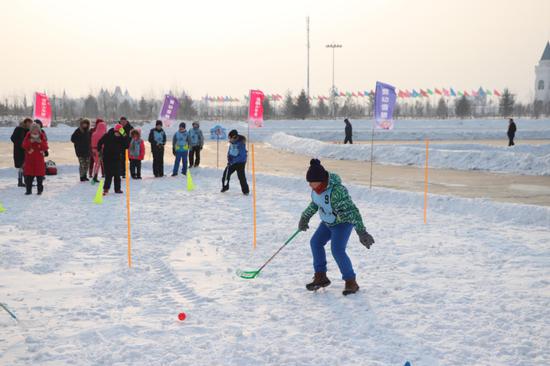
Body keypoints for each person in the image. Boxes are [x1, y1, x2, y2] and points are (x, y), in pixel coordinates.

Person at [298, 159, 374, 296]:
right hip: (328, 222)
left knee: (337, 250)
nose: (309, 185)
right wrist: (305, 217)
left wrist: (361, 231)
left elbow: (352, 211)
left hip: (343, 223)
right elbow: (315, 204)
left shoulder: (337, 192)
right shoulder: (317, 190)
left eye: (311, 182)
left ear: (320, 180)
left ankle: (351, 281)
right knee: (315, 242)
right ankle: (321, 277)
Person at [97, 124, 128, 195]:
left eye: (119, 133)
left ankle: (117, 189)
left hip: (117, 158)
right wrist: (99, 150)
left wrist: (124, 134)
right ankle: (106, 189)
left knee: (117, 175)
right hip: (107, 158)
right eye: (117, 133)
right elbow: (100, 142)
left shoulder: (122, 138)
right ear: (114, 131)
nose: (118, 135)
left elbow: (127, 144)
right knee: (108, 174)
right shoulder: (107, 136)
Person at [21, 123, 48, 195]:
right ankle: (28, 190)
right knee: (29, 176)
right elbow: (24, 145)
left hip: (39, 159)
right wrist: (30, 142)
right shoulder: (28, 136)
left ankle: (39, 190)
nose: (35, 131)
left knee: (40, 177)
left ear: (38, 130)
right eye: (33, 129)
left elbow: (45, 147)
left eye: (36, 129)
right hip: (30, 160)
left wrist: (41, 142)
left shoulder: (42, 136)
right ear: (31, 130)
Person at [221, 129, 249, 195]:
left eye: (230, 138)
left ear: (234, 137)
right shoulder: (232, 142)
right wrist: (228, 157)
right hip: (232, 162)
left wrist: (233, 161)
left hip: (240, 163)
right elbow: (230, 151)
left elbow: (241, 156)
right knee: (226, 174)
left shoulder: (241, 144)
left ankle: (246, 191)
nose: (229, 139)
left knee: (241, 177)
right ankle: (225, 187)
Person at [10, 118, 33, 187]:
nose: (29, 124)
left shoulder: (28, 130)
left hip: (26, 150)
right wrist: (21, 144)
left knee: (26, 166)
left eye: (30, 123)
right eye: (28, 123)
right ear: (25, 122)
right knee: (21, 166)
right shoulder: (18, 129)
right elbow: (13, 138)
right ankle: (20, 182)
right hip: (19, 151)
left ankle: (26, 182)